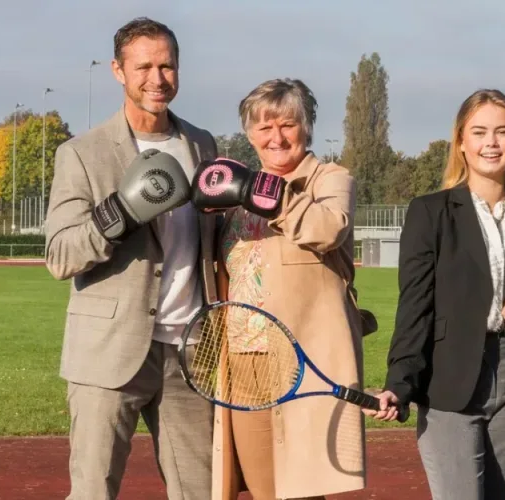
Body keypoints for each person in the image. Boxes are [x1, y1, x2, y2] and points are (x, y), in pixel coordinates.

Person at [43, 17, 217, 500]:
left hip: (191, 350)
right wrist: (119, 213)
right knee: (94, 492)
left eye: (167, 66)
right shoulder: (82, 153)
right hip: (109, 353)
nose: (157, 79)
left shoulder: (201, 144)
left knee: (202, 492)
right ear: (118, 71)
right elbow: (59, 256)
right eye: (144, 67)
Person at [371, 88, 505, 500]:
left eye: (502, 132)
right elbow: (415, 309)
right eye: (479, 132)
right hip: (448, 382)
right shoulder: (430, 212)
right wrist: (399, 383)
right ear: (461, 142)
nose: (491, 143)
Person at [195, 78, 374, 499]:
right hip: (241, 360)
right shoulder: (234, 195)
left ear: (306, 127)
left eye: (288, 124)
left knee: (302, 488)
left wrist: (268, 196)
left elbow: (328, 228)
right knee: (262, 488)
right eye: (264, 127)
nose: (276, 137)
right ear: (250, 134)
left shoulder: (330, 178)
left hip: (303, 361)